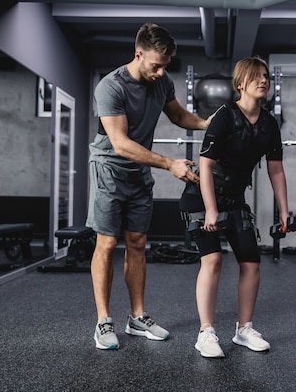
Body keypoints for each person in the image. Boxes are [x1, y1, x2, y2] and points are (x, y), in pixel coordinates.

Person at [87, 23, 212, 350]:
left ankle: (137, 317)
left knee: (138, 242)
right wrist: (170, 163)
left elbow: (179, 115)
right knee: (107, 242)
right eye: (155, 65)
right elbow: (120, 144)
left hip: (139, 171)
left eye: (165, 66)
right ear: (138, 53)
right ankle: (103, 321)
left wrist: (207, 124)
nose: (160, 72)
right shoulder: (110, 87)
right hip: (110, 170)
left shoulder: (162, 81)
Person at [180, 56, 291, 358]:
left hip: (235, 200)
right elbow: (205, 165)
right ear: (240, 83)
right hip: (201, 197)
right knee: (213, 260)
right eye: (257, 76)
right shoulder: (225, 116)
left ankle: (244, 329)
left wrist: (284, 209)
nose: (264, 80)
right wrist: (211, 210)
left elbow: (276, 169)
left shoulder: (269, 124)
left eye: (266, 76)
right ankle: (205, 332)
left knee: (251, 262)